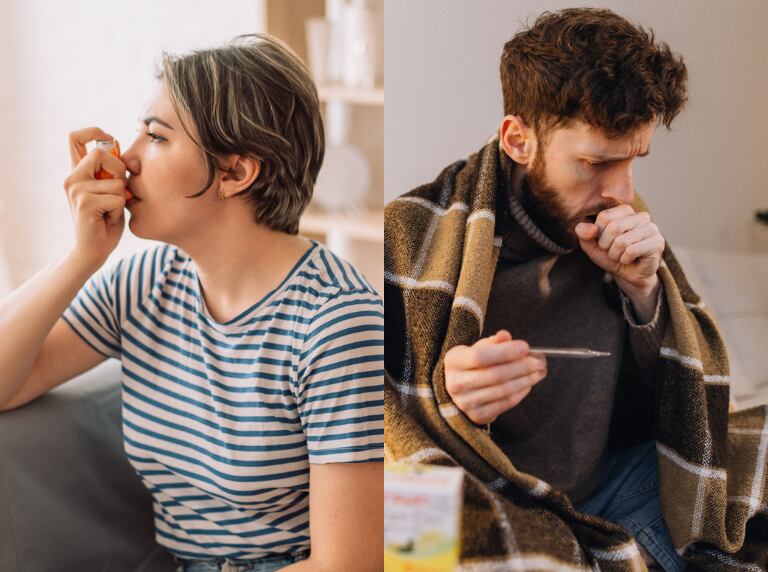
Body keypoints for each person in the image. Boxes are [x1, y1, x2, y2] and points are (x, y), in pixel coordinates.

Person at [385, 8, 767, 571]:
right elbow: (374, 427)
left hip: (617, 485)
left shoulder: (622, 215)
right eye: (594, 163)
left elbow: (676, 400)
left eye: (634, 160)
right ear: (518, 140)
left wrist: (643, 293)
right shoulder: (413, 232)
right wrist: (451, 404)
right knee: (411, 530)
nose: (621, 192)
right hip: (495, 497)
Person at [0, 34, 383, 572]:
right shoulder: (145, 283)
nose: (126, 158)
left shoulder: (336, 325)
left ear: (235, 173)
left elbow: (346, 566)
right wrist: (82, 258)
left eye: (155, 137)